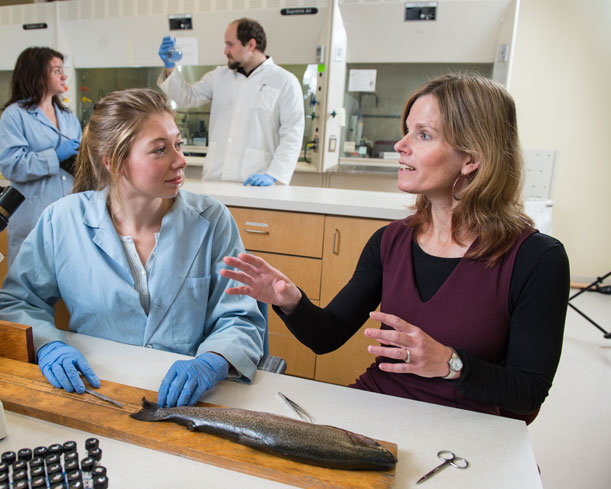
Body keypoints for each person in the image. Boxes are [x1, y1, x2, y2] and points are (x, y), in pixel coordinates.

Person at [221, 73, 569, 421]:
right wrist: (291, 301)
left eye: (424, 135)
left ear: (471, 158)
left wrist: (451, 364)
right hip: (379, 404)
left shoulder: (537, 259)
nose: (400, 146)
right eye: (407, 131)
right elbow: (328, 336)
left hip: (472, 425)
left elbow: (529, 391)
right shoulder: (390, 242)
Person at [0, 88, 265, 408]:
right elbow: (17, 302)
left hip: (191, 402)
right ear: (114, 161)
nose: (181, 160)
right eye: (160, 150)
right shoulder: (62, 220)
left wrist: (212, 361)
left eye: (178, 144)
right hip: (98, 391)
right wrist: (47, 345)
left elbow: (240, 318)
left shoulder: (212, 220)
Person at [157, 18, 304, 186]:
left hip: (257, 181)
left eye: (230, 44)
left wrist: (274, 174)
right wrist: (170, 67)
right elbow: (187, 97)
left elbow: (292, 134)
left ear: (251, 44)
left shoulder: (284, 81)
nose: (225, 50)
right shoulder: (219, 76)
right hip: (215, 178)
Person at [0, 46, 83, 266]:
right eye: (56, 70)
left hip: (69, 217)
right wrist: (55, 156)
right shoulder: (15, 115)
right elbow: (11, 164)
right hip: (33, 218)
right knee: (28, 288)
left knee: (68, 287)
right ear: (36, 74)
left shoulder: (68, 116)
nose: (63, 76)